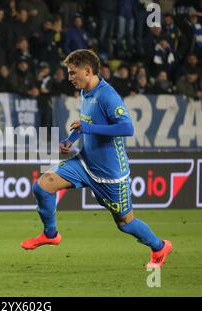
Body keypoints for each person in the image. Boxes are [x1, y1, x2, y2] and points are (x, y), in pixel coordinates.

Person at [21, 49, 173, 268]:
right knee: (42, 186)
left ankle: (159, 247)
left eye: (73, 73)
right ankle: (50, 234)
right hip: (85, 162)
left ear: (88, 70)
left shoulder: (108, 96)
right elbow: (86, 123)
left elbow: (127, 128)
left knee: (125, 224)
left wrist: (88, 128)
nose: (70, 78)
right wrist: (71, 139)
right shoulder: (85, 92)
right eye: (69, 73)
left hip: (111, 174)